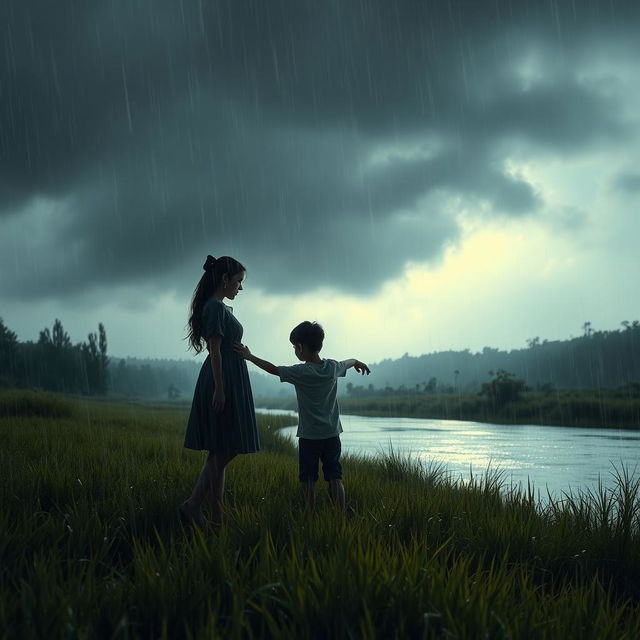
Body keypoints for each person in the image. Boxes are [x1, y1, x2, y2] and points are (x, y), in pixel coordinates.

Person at [234, 321, 369, 511]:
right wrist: (357, 362)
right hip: (331, 434)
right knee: (335, 476)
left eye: (294, 347)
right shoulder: (332, 368)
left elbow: (273, 369)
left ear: (300, 347)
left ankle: (309, 514)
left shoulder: (301, 372)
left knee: (308, 479)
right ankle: (340, 514)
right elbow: (349, 362)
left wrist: (249, 357)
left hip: (309, 436)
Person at [180, 255, 260, 528]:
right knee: (228, 447)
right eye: (238, 282)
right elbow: (214, 349)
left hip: (229, 375)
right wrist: (220, 389)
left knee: (220, 451)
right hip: (222, 378)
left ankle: (216, 517)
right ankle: (193, 504)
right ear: (225, 280)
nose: (241, 288)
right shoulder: (214, 308)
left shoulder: (220, 308)